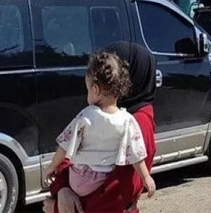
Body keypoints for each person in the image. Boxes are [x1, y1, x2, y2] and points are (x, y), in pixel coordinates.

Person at [44, 42, 158, 213]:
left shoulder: (138, 122)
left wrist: (57, 208)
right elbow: (71, 149)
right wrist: (62, 188)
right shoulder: (102, 113)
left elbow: (118, 193)